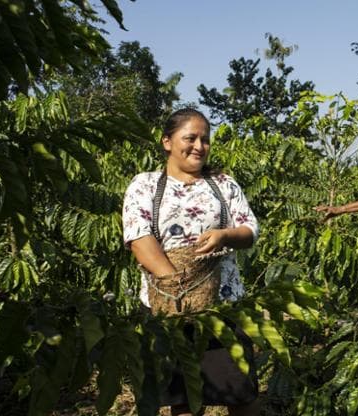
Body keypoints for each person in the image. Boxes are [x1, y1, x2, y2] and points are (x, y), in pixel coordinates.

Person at [122, 108, 259, 416]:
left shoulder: (223, 184)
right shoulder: (144, 185)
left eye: (205, 139)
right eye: (190, 138)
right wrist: (179, 290)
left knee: (242, 393)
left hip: (223, 306)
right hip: (167, 308)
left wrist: (224, 235)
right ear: (167, 142)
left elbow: (250, 230)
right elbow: (139, 237)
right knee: (182, 398)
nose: (199, 146)